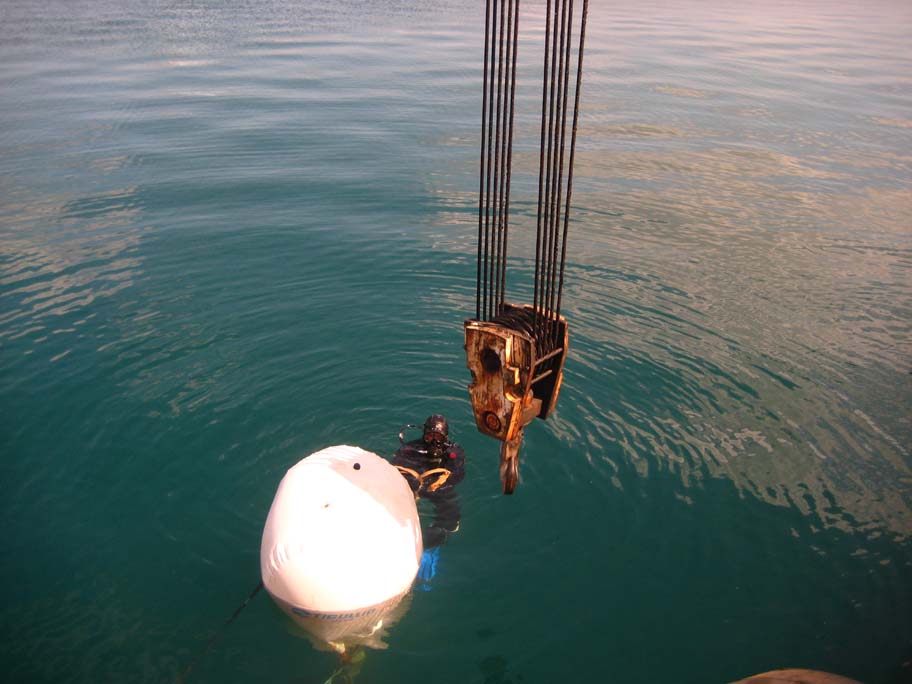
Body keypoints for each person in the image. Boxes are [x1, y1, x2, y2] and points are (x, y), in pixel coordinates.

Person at [392, 414, 465, 589]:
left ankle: (433, 544)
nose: (433, 441)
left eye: (438, 437)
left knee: (452, 515)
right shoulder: (411, 449)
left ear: (445, 437)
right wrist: (410, 481)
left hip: (438, 488)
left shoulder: (454, 452)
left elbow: (458, 473)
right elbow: (396, 466)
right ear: (423, 434)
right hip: (414, 485)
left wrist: (444, 482)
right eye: (429, 436)